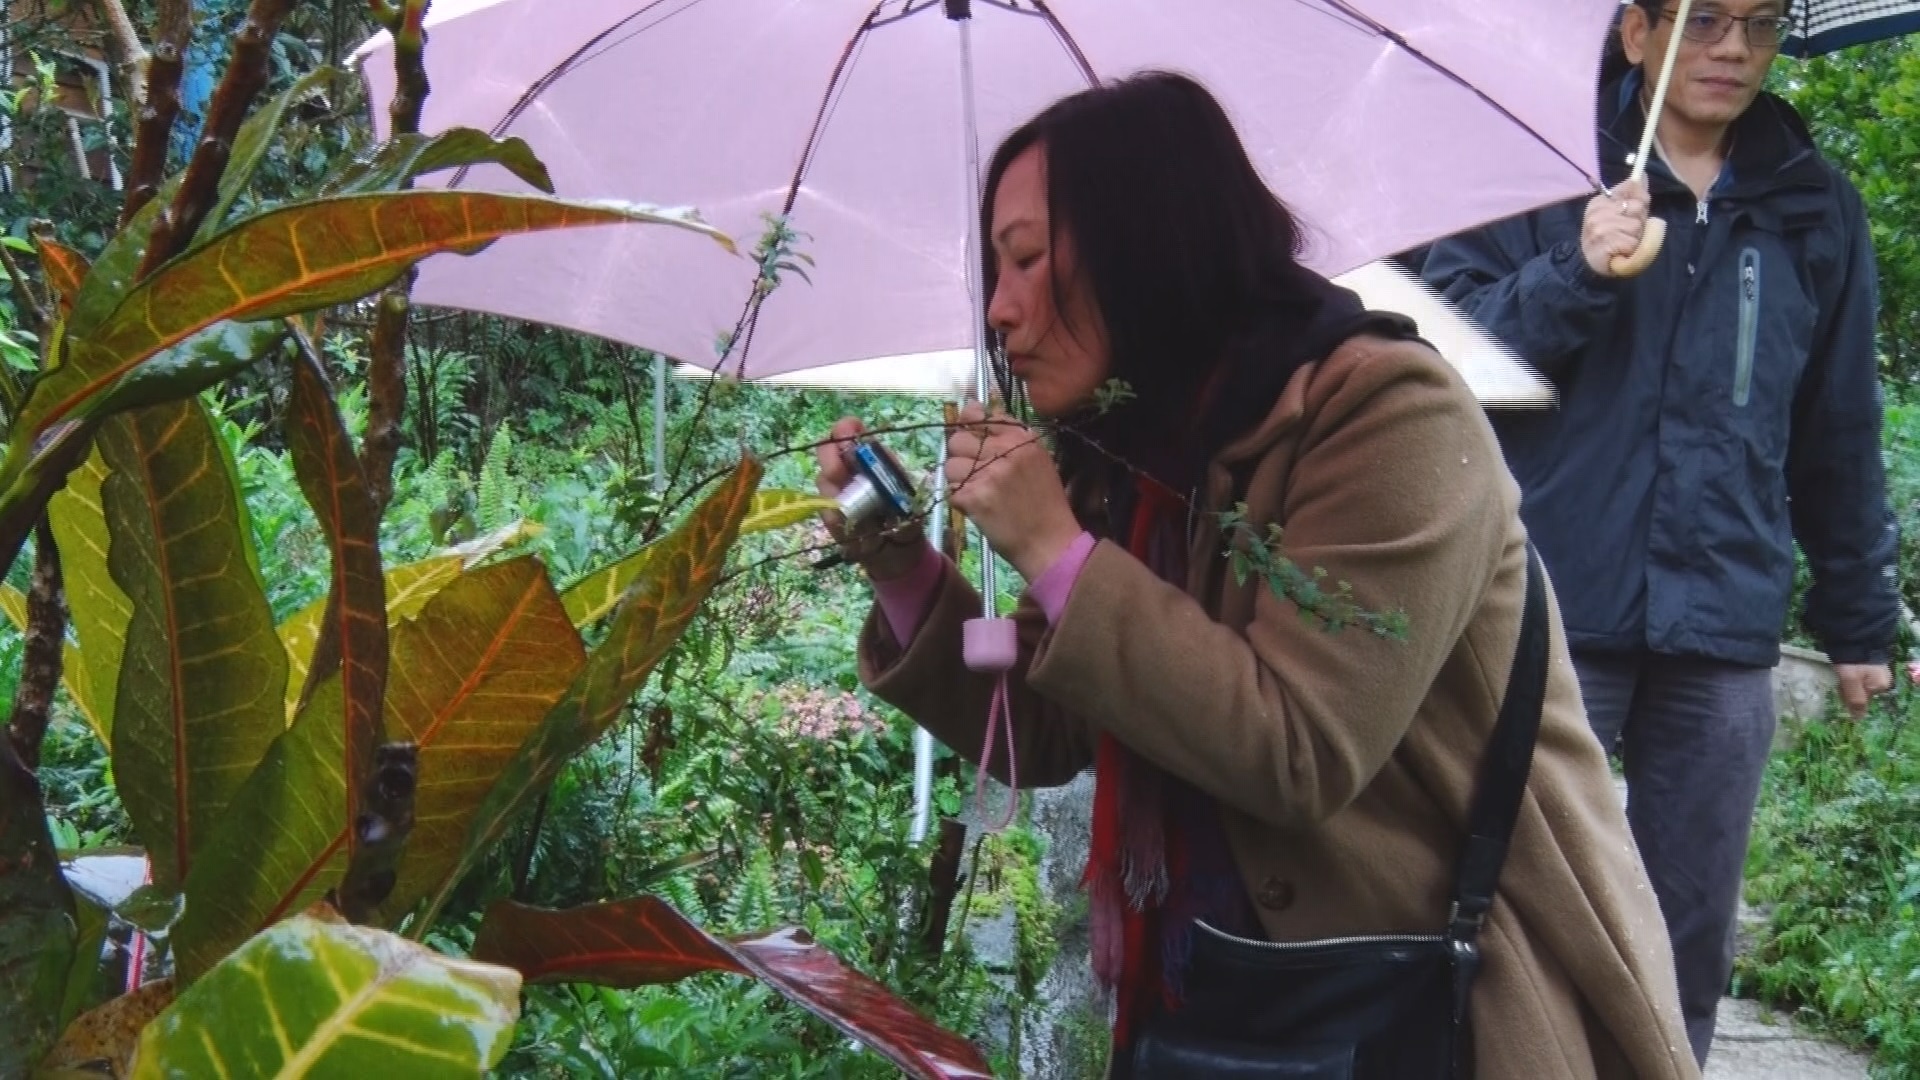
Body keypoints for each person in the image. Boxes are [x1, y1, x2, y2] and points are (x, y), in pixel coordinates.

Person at [816, 72, 1697, 1079]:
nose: (999, 311)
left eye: (1024, 261)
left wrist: (1056, 549)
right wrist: (898, 558)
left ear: (1144, 247)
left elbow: (1299, 750)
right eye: (992, 270)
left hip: (1429, 1012)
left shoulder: (1391, 417)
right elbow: (1048, 727)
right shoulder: (1135, 454)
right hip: (1223, 1005)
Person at [1421, 0, 1901, 1067]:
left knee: (1685, 929)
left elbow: (1838, 425)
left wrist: (1861, 615)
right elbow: (1444, 369)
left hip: (1722, 623)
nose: (1733, 49)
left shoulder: (1814, 209)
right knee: (1516, 906)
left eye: (1761, 24)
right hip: (1547, 607)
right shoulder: (1538, 174)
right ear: (1636, 30)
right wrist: (1576, 270)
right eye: (1705, 19)